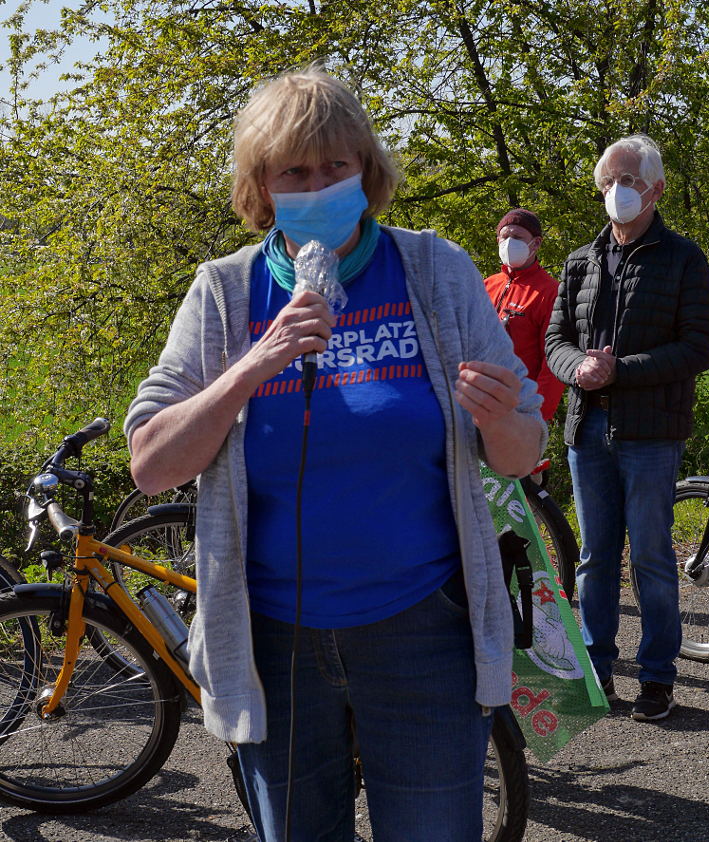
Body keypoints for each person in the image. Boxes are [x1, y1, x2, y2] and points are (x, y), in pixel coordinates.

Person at [124, 68, 546, 841]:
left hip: (422, 630)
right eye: (294, 171)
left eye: (335, 167)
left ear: (367, 171)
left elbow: (520, 451)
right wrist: (255, 365)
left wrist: (502, 419)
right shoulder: (224, 292)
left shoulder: (436, 270)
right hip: (273, 641)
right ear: (261, 185)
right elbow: (151, 463)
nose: (317, 185)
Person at [545, 134, 709, 722]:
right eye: (608, 182)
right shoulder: (580, 261)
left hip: (652, 434)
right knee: (594, 557)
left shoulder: (684, 258)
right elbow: (555, 343)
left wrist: (620, 372)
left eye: (628, 181)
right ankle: (596, 668)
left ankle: (656, 678)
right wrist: (582, 370)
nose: (616, 192)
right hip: (587, 431)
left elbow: (699, 346)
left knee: (650, 558)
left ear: (656, 190)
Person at [484, 208, 565, 422]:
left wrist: (538, 414)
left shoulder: (550, 292)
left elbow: (553, 361)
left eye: (518, 237)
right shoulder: (487, 285)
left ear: (536, 243)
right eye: (505, 237)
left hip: (519, 409)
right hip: (479, 402)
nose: (510, 243)